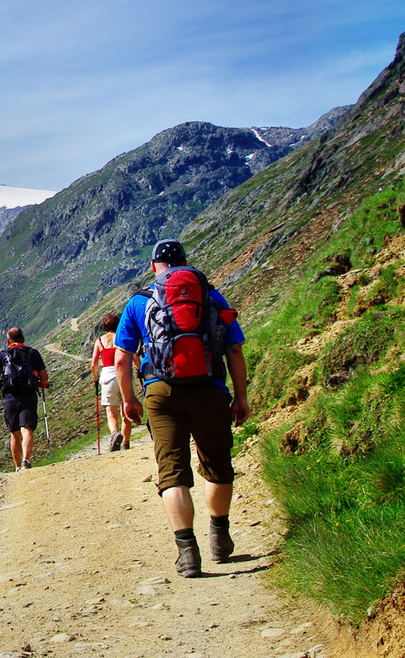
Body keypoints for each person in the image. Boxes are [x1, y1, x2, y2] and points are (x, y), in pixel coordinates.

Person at [116, 239, 249, 578]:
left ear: (153, 266)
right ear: (186, 262)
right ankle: (219, 538)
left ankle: (188, 553)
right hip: (209, 388)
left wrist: (130, 399)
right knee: (217, 465)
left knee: (172, 473)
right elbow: (234, 349)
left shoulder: (138, 302)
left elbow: (121, 358)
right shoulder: (211, 295)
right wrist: (240, 396)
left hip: (161, 393)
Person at [0, 327, 49, 470]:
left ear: (8, 341)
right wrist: (41, 384)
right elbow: (44, 377)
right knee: (27, 429)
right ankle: (26, 460)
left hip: (10, 398)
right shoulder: (32, 353)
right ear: (23, 339)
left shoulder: (2, 355)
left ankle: (17, 468)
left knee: (15, 434)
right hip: (28, 396)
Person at [91, 313, 132, 451]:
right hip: (124, 375)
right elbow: (133, 354)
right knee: (126, 410)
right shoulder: (121, 337)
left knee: (111, 411)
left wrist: (95, 377)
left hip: (108, 377)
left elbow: (94, 364)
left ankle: (115, 433)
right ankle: (126, 442)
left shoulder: (100, 341)